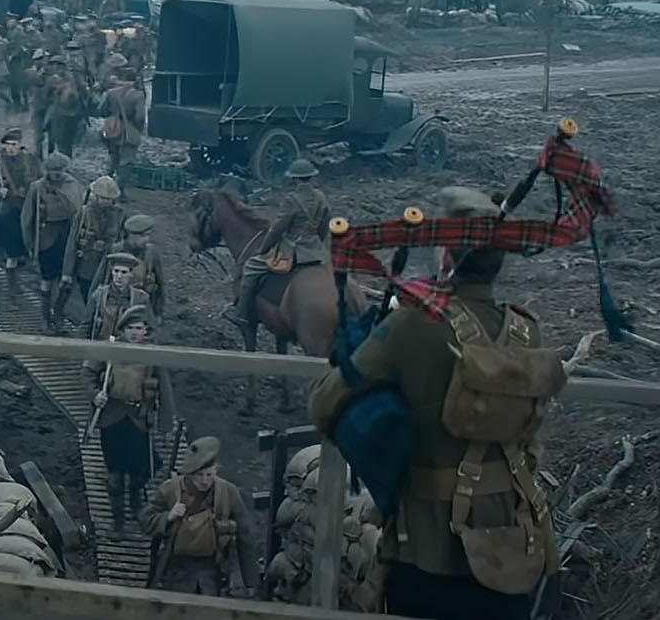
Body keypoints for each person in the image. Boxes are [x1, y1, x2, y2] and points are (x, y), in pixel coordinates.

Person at [309, 187, 564, 620]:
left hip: (429, 554)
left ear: (445, 255)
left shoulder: (412, 325)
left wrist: (377, 338)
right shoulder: (526, 330)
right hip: (512, 551)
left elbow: (324, 402)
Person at [84, 305, 169, 530]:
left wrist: (165, 422)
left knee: (141, 469)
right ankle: (118, 517)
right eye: (130, 328)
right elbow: (89, 373)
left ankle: (135, 499)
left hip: (139, 419)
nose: (134, 332)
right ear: (123, 329)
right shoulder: (109, 350)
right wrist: (95, 395)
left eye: (139, 328)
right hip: (113, 419)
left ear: (146, 330)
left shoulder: (153, 354)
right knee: (115, 474)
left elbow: (165, 390)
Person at [143, 436, 258, 597]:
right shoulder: (170, 489)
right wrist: (168, 517)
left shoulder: (228, 493)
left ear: (216, 470)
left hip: (213, 571)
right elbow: (146, 520)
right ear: (189, 474)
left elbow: (245, 537)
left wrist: (251, 582)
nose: (204, 481)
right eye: (198, 475)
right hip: (176, 570)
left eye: (209, 475)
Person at [223, 159, 330, 327]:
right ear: (310, 177)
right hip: (315, 251)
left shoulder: (292, 199)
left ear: (294, 179)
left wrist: (263, 248)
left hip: (293, 251)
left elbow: (277, 228)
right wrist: (316, 243)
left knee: (250, 267)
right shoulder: (321, 197)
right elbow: (324, 225)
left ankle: (241, 313)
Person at [21, 152, 84, 323]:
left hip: (68, 238)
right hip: (46, 239)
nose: (56, 174)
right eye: (53, 170)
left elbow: (80, 211)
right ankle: (45, 316)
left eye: (60, 170)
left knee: (66, 279)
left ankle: (58, 312)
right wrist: (29, 243)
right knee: (47, 279)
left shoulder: (73, 185)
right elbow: (27, 217)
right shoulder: (37, 188)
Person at [59, 175, 127, 313]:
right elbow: (72, 242)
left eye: (109, 199)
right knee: (89, 299)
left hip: (109, 268)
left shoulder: (120, 215)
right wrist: (67, 271)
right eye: (102, 198)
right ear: (95, 197)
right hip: (87, 266)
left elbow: (123, 240)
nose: (105, 202)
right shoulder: (84, 213)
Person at [0, 128, 41, 270]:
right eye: (8, 144)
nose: (10, 148)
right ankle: (11, 257)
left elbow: (41, 178)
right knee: (9, 231)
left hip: (27, 203)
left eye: (14, 144)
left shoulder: (30, 160)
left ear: (20, 145)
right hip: (8, 204)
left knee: (27, 229)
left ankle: (25, 254)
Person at [99, 58, 146, 189]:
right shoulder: (138, 95)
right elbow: (140, 117)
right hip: (128, 131)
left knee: (113, 159)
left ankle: (106, 184)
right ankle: (119, 190)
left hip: (112, 129)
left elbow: (102, 110)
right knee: (126, 162)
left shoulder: (112, 92)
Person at [118, 214, 166, 319]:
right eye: (143, 236)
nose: (147, 240)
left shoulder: (152, 253)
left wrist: (158, 312)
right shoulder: (116, 251)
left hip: (143, 305)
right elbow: (100, 280)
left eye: (148, 235)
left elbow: (160, 284)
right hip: (118, 304)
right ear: (131, 235)